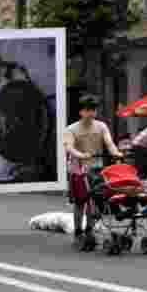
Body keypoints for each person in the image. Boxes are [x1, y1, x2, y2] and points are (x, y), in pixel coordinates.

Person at [62, 94, 124, 240]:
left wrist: (116, 153)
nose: (91, 113)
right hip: (78, 170)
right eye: (87, 110)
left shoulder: (101, 126)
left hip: (96, 169)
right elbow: (69, 147)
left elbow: (109, 143)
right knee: (80, 203)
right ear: (81, 112)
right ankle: (78, 231)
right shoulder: (71, 129)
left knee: (94, 199)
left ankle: (89, 229)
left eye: (93, 110)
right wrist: (81, 155)